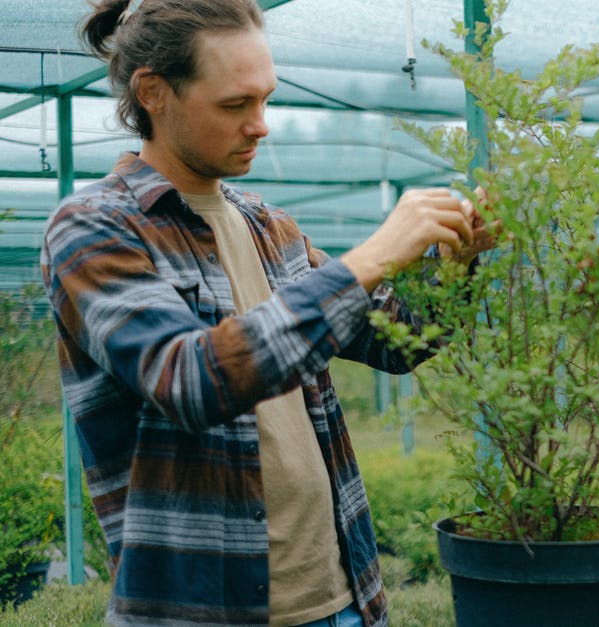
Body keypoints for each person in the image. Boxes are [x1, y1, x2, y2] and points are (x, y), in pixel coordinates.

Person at [41, 1, 492, 625]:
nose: (261, 125)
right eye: (235, 105)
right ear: (154, 92)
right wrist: (370, 258)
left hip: (342, 596)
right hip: (200, 608)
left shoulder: (267, 225)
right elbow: (189, 380)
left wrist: (453, 269)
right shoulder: (95, 229)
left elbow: (399, 344)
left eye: (265, 99)